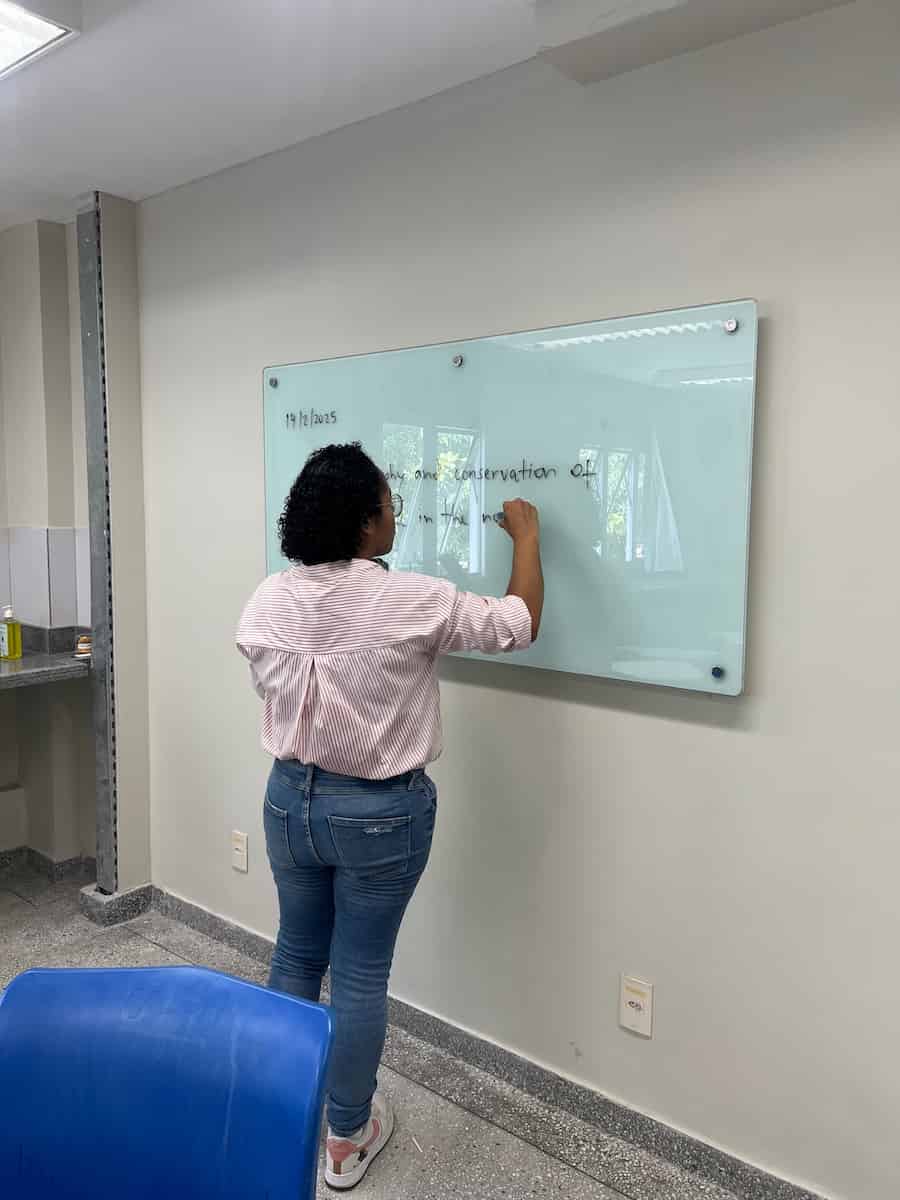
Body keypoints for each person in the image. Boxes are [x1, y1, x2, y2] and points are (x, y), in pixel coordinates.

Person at [236, 442, 542, 1191]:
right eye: (387, 500)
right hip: (377, 814)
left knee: (296, 956)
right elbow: (517, 622)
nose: (394, 510)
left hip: (286, 801)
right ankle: (346, 1137)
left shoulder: (268, 597)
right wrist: (529, 538)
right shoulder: (411, 597)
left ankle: (284, 1119)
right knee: (362, 974)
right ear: (367, 521)